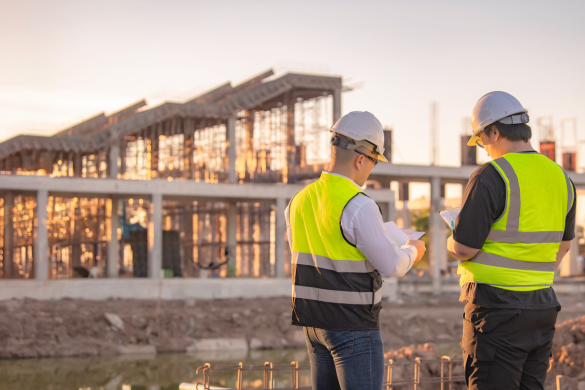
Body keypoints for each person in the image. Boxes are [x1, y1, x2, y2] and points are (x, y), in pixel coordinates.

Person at [285, 111, 426, 390]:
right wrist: (414, 251)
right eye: (374, 162)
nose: (372, 168)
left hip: (313, 324)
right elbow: (391, 265)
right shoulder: (359, 204)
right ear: (362, 158)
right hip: (352, 325)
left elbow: (321, 251)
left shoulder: (298, 201)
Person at [447, 92, 576, 390]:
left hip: (496, 310)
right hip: (542, 307)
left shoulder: (492, 175)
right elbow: (564, 245)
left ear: (493, 131)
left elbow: (465, 247)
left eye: (481, 140)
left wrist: (450, 242)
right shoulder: (561, 178)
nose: (484, 148)